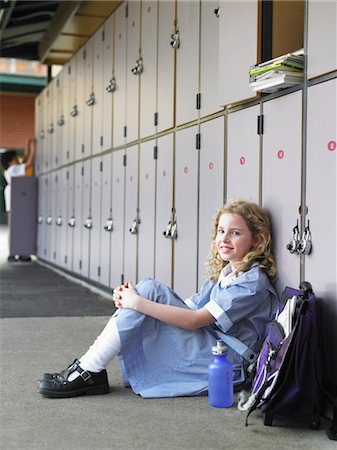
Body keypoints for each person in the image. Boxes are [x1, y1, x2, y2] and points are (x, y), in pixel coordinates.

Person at [38, 199, 279, 399]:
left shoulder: (252, 283)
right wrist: (131, 300)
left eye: (235, 233)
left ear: (257, 240)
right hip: (213, 345)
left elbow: (195, 320)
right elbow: (187, 307)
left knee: (147, 294)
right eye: (221, 231)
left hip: (228, 361)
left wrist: (136, 303)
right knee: (148, 289)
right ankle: (90, 367)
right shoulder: (227, 273)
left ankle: (88, 370)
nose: (224, 239)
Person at [0, 138, 36, 261]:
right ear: (11, 161)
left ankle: (16, 251)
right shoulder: (13, 169)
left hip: (14, 202)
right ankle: (16, 252)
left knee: (15, 228)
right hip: (16, 202)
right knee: (18, 228)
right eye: (15, 158)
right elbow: (28, 164)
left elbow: (24, 161)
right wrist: (33, 149)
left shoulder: (9, 170)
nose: (18, 160)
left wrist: (27, 146)